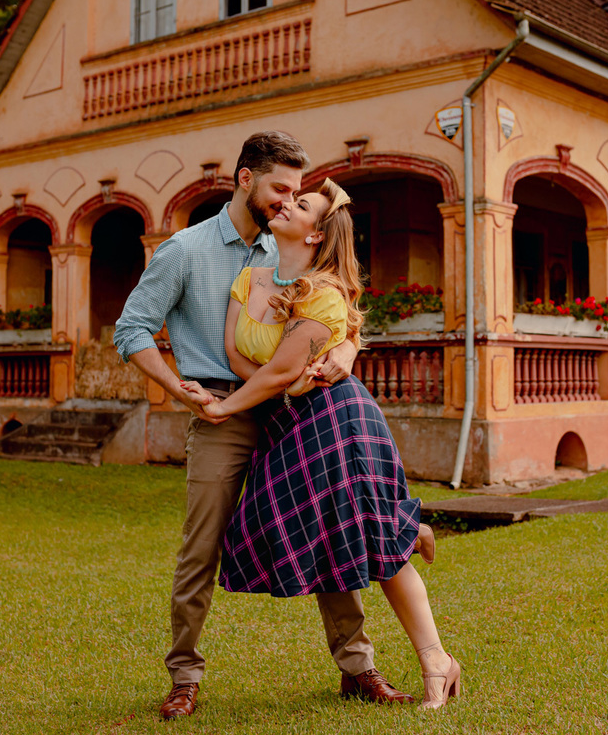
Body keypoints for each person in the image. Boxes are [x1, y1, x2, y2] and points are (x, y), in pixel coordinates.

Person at [114, 132, 414, 719]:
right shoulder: (185, 250)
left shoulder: (293, 247)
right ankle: (185, 676)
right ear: (245, 178)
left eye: (296, 193)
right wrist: (179, 389)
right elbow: (131, 330)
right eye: (280, 188)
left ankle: (358, 669)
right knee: (201, 547)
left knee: (331, 530)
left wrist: (349, 352)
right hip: (220, 411)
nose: (287, 201)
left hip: (296, 413)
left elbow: (339, 314)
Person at [183, 177, 461, 710]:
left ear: (315, 234)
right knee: (284, 526)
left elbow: (279, 371)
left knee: (374, 546)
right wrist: (277, 382)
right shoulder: (250, 277)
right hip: (286, 424)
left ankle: (435, 663)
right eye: (289, 197)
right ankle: (410, 527)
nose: (286, 204)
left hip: (337, 420)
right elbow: (239, 357)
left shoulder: (324, 293)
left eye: (301, 204)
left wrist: (224, 405)